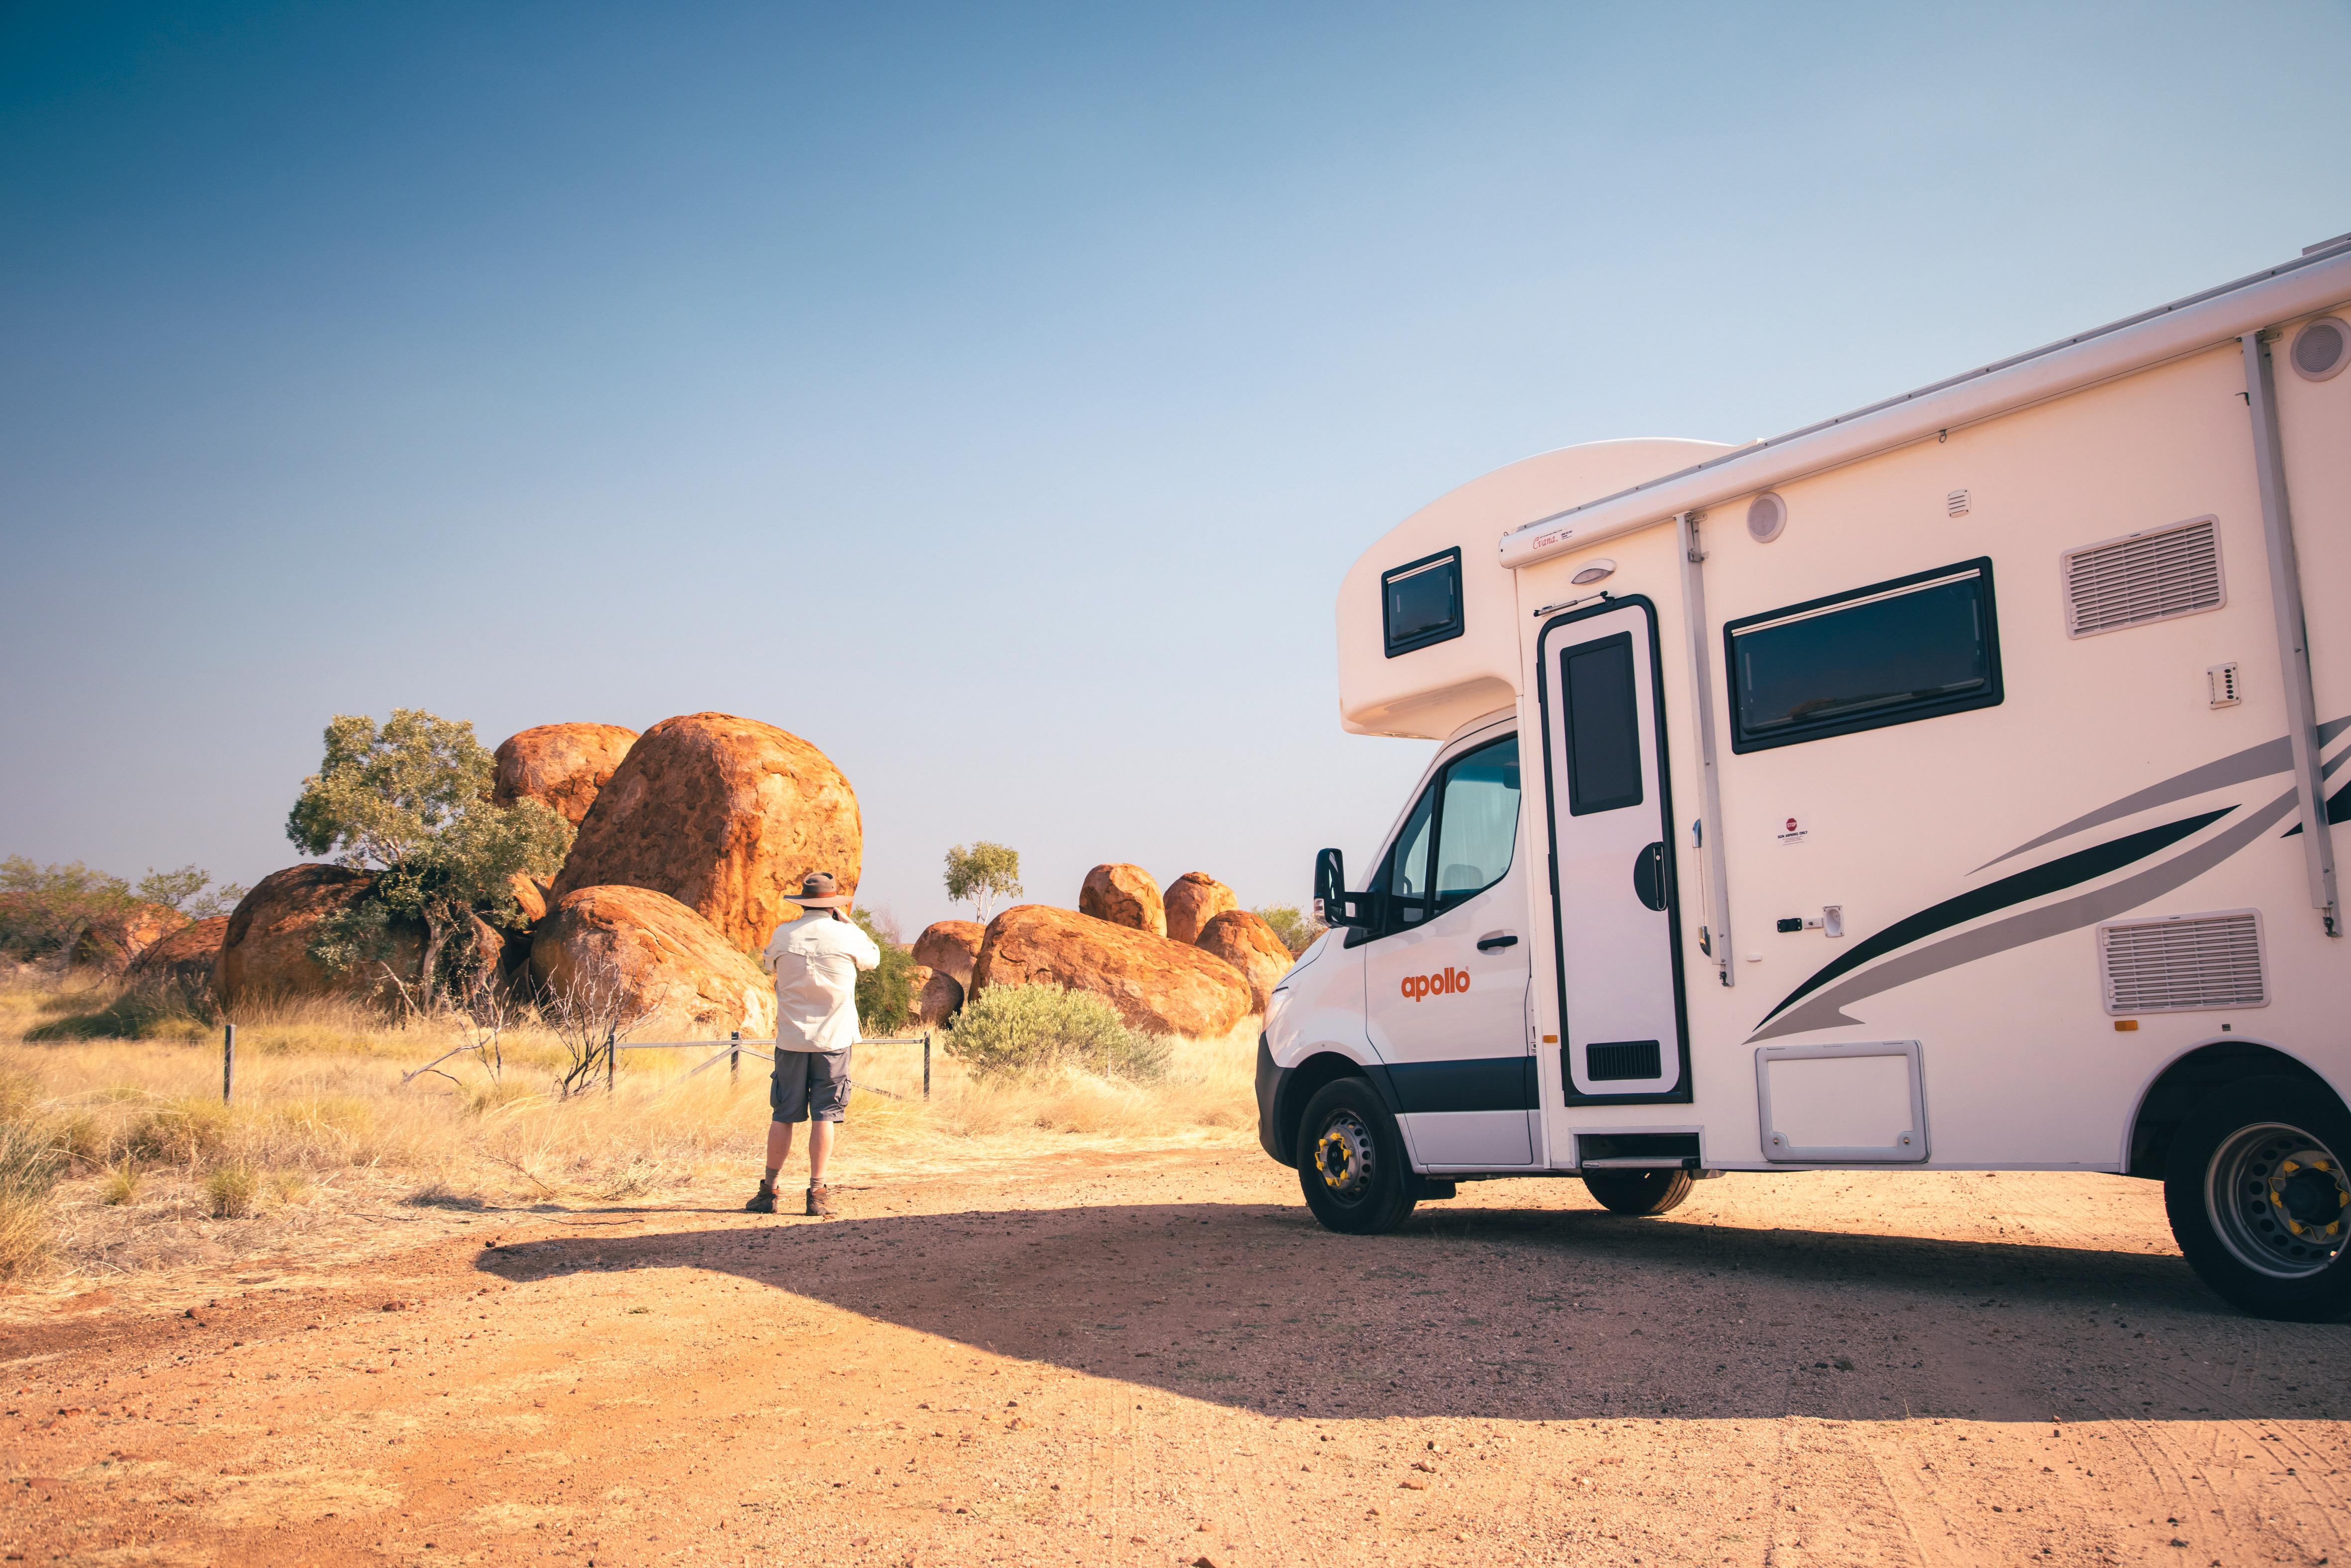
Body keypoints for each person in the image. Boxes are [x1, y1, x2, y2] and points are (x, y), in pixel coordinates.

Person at [747, 872, 879, 1218]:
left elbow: (768, 962)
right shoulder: (847, 934)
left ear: (802, 901)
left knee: (783, 1114)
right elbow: (873, 958)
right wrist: (849, 922)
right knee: (825, 1114)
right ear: (833, 905)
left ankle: (769, 1190)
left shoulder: (783, 934)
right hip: (834, 1038)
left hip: (791, 1038)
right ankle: (817, 1192)